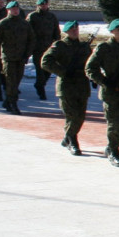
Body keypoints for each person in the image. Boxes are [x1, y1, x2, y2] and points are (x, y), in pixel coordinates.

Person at [85, 19, 119, 167]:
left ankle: (113, 146)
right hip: (111, 92)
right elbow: (90, 68)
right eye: (118, 30)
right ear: (112, 31)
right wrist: (104, 81)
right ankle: (113, 149)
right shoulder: (104, 47)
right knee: (114, 123)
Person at [40, 21, 92, 155]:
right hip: (67, 86)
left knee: (80, 117)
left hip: (82, 86)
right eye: (72, 30)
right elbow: (45, 62)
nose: (75, 31)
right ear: (67, 32)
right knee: (72, 116)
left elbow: (91, 64)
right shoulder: (60, 45)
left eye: (76, 29)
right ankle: (72, 140)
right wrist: (63, 71)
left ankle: (67, 137)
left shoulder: (84, 46)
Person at [0, 0, 34, 114]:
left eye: (17, 9)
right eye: (13, 9)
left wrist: (27, 54)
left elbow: (31, 40)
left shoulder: (24, 24)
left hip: (21, 57)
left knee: (17, 80)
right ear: (8, 10)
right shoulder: (2, 24)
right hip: (8, 58)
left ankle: (8, 101)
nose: (15, 11)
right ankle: (13, 103)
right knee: (11, 81)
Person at [27, 0, 60, 100]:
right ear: (38, 5)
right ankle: (41, 88)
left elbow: (56, 31)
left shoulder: (52, 16)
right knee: (40, 70)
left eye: (45, 4)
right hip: (37, 48)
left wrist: (58, 43)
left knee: (48, 70)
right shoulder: (33, 16)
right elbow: (27, 31)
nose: (44, 6)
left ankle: (40, 84)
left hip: (49, 47)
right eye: (42, 5)